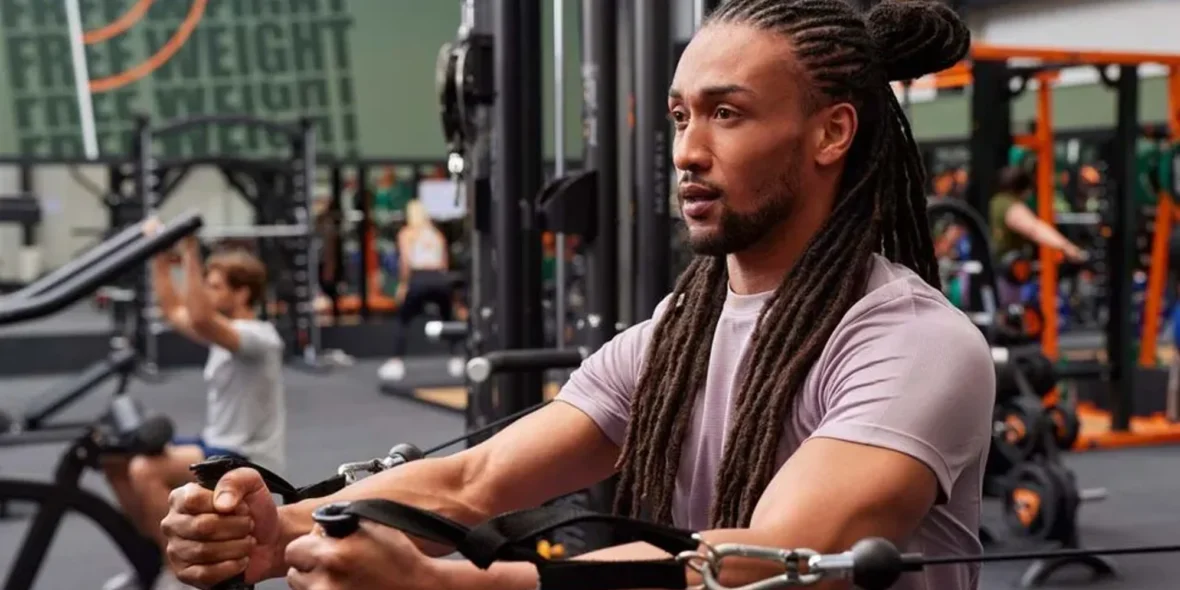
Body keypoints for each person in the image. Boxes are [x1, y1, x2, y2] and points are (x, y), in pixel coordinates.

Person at [161, 2, 996, 590]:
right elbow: (473, 481)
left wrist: (439, 586)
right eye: (678, 117)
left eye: (727, 115)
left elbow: (775, 561)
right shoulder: (677, 333)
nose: (688, 152)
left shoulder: (912, 343)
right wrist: (284, 529)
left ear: (831, 132)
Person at [102, 222, 286, 590]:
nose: (205, 292)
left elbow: (199, 317)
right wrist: (158, 254)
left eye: (214, 286)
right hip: (215, 443)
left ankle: (177, 570)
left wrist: (188, 250)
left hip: (245, 456)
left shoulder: (258, 338)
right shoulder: (226, 334)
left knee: (144, 470)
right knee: (115, 459)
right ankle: (151, 559)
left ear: (243, 293)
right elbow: (173, 310)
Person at [378, 199, 455, 379]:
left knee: (403, 320)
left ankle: (396, 362)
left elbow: (405, 261)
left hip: (419, 277)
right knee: (448, 319)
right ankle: (457, 359)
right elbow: (444, 262)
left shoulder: (407, 233)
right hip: (439, 278)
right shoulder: (436, 234)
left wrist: (404, 284)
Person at [989, 166, 1087, 304]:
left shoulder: (997, 202)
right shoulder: (1008, 204)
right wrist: (1067, 247)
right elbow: (1033, 228)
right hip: (1006, 278)